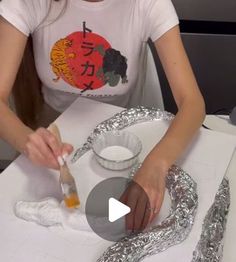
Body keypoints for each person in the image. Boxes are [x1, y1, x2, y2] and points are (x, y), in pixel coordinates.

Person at [0, 0, 205, 230]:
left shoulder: (146, 4)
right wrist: (26, 140)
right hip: (55, 141)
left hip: (121, 147)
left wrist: (157, 163)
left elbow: (193, 103)